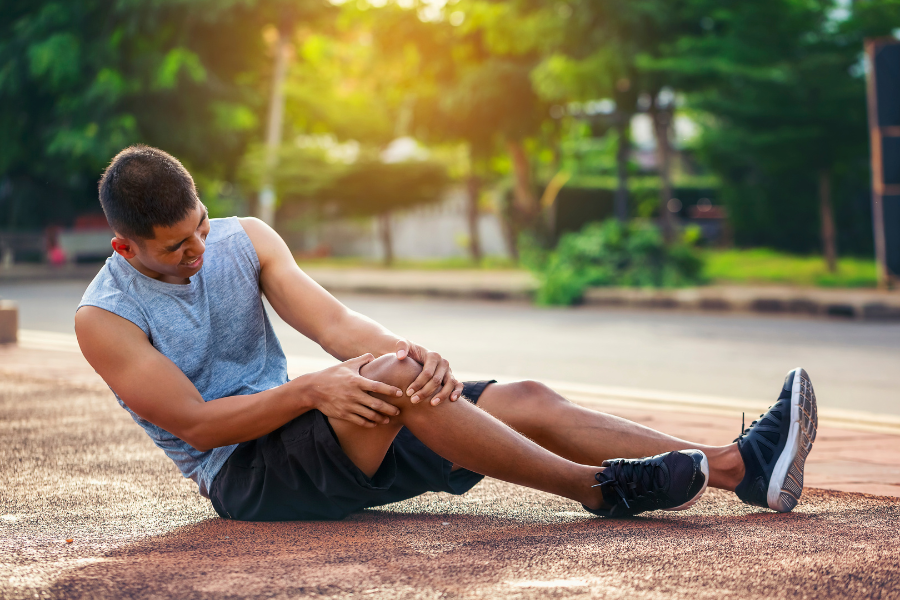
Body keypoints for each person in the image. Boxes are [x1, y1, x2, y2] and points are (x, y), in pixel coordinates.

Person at [75, 145, 818, 521]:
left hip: (328, 430)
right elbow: (200, 428)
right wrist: (312, 391)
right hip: (248, 476)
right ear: (127, 248)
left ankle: (738, 470)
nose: (200, 251)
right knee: (391, 382)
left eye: (201, 226)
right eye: (177, 248)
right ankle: (598, 490)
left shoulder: (247, 239)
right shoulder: (104, 318)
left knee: (517, 394)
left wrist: (410, 354)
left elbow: (335, 324)